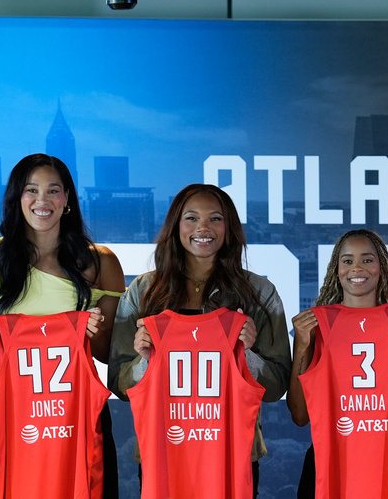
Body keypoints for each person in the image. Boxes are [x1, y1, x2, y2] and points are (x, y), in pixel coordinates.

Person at [0, 153, 125, 499]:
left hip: (75, 414)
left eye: (53, 191)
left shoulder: (101, 261)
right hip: (2, 414)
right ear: (17, 199)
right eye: (31, 190)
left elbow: (112, 354)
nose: (42, 201)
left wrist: (93, 337)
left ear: (67, 200)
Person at [108, 183, 291, 496]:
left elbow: (275, 387)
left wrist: (246, 353)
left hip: (234, 453)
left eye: (215, 219)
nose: (203, 228)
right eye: (191, 218)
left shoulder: (259, 293)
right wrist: (144, 360)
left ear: (229, 227)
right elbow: (120, 385)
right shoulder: (143, 291)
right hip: (162, 450)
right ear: (176, 226)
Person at [287, 229, 388, 498]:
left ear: (382, 267)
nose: (357, 268)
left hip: (387, 465)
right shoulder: (315, 325)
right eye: (348, 260)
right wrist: (302, 346)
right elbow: (299, 416)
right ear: (336, 269)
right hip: (328, 466)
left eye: (367, 259)